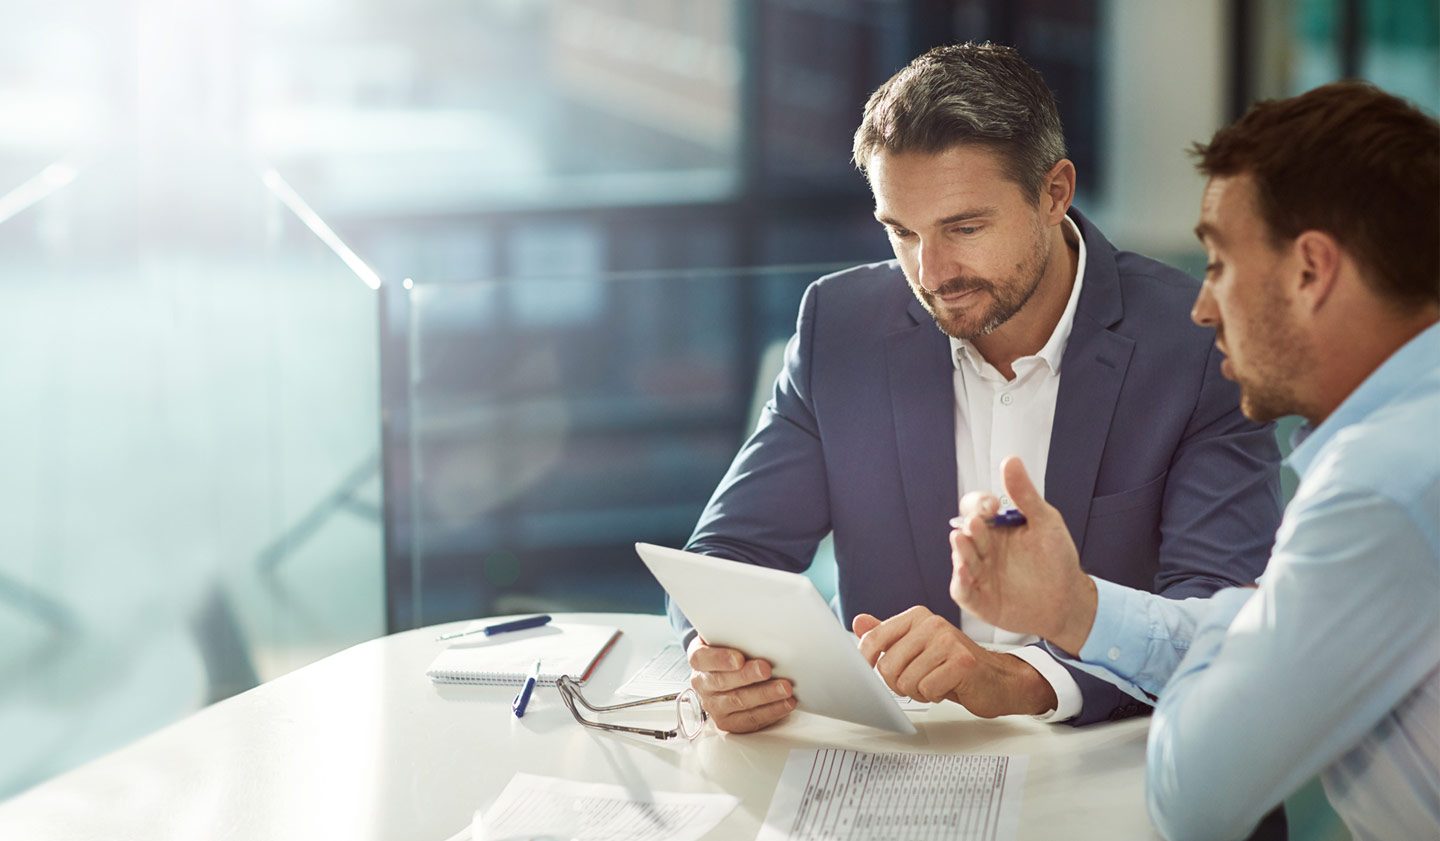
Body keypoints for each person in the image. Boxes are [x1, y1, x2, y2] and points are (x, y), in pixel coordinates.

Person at [671, 42, 1281, 734]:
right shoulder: (839, 328)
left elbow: (1221, 620)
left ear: (1055, 194)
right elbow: (728, 555)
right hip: (901, 768)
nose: (930, 272)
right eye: (901, 232)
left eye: (964, 228)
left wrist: (1017, 680)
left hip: (1121, 763)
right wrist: (717, 658)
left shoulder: (1198, 341)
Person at [948, 80, 1439, 841]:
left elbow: (1191, 796)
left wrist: (1240, 650)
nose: (1204, 306)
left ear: (1311, 270)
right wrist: (1076, 608)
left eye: (1218, 263)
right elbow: (1265, 628)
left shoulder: (1378, 489)